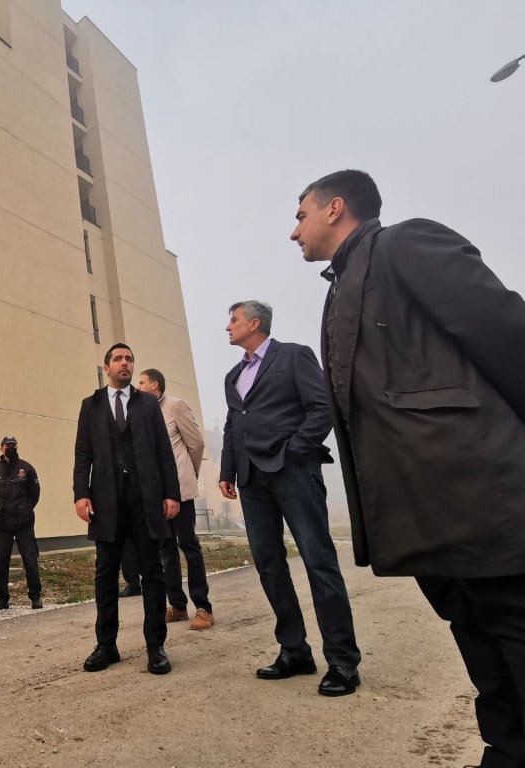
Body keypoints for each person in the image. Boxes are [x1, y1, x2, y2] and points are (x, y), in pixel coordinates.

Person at [292, 169, 525, 765]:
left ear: (335, 208)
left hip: (478, 493)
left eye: (300, 215)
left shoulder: (405, 243)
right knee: (477, 639)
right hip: (423, 511)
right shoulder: (341, 285)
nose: (294, 232)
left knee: (512, 628)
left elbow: (506, 332)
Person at [220, 300, 361, 696]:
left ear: (254, 323)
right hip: (251, 481)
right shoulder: (233, 375)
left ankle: (343, 661)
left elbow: (322, 407)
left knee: (318, 561)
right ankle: (294, 650)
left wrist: (294, 451)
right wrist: (228, 470)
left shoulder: (294, 356)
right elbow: (233, 424)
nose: (227, 327)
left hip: (293, 472)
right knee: (269, 566)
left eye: (233, 320)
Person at [73, 343, 181, 674]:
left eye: (130, 359)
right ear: (107, 368)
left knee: (152, 572)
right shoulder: (91, 406)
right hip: (106, 501)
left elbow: (164, 451)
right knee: (105, 573)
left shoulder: (147, 404)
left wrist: (171, 493)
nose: (125, 363)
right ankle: (106, 646)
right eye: (118, 359)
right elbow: (83, 454)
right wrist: (81, 494)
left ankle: (156, 646)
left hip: (145, 500)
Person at [137, 368, 214, 630]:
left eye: (141, 382)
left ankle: (203, 607)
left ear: (154, 384)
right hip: (157, 495)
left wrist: (190, 473)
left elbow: (196, 444)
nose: (138, 386)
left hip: (180, 492)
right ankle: (178, 606)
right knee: (166, 551)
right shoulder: (144, 413)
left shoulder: (175, 406)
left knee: (189, 546)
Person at [0, 435, 42, 610]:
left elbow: (35, 494)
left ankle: (35, 597)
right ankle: (2, 599)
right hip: (1, 523)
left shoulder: (26, 468)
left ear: (17, 447)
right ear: (1, 448)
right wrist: (0, 511)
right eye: (7, 445)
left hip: (23, 523)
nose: (10, 447)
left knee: (30, 559)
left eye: (13, 445)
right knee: (1, 561)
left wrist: (24, 510)